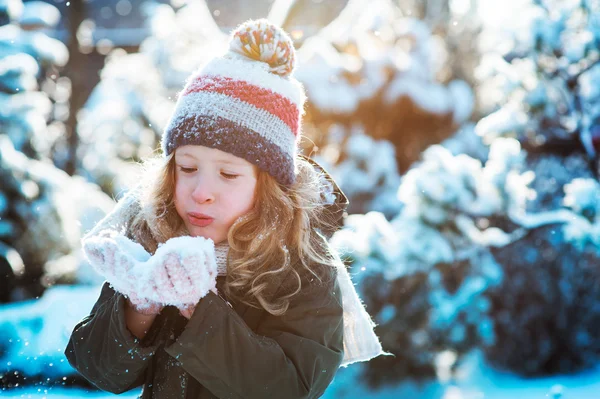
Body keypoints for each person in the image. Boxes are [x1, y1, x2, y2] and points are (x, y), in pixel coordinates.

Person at [65, 19, 384, 399]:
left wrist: (196, 308)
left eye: (228, 174)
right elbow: (100, 369)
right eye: (187, 168)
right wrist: (140, 304)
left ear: (270, 187)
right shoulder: (156, 239)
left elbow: (286, 388)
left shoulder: (302, 269)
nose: (202, 192)